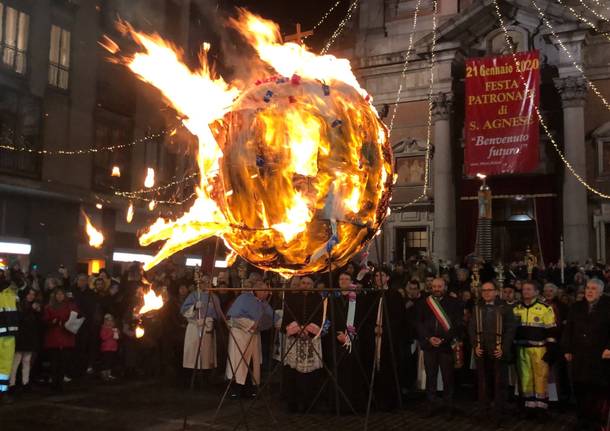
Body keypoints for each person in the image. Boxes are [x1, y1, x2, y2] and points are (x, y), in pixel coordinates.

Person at [562, 278, 610, 431]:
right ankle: (582, 419)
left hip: (600, 355)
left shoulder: (608, 306)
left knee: (597, 389)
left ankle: (597, 421)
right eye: (588, 288)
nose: (589, 291)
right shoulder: (576, 306)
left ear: (601, 292)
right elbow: (568, 329)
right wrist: (567, 349)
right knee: (580, 387)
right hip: (579, 355)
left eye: (594, 289)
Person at [468, 281, 516, 427]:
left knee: (499, 383)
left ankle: (499, 414)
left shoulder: (505, 308)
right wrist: (475, 346)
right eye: (484, 290)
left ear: (496, 292)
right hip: (481, 351)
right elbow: (471, 328)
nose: (486, 293)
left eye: (489, 290)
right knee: (483, 383)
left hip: (498, 350)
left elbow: (510, 330)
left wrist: (503, 348)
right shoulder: (477, 307)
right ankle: (484, 412)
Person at [416, 277, 463, 419]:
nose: (436, 289)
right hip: (429, 345)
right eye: (434, 286)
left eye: (439, 286)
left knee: (448, 378)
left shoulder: (454, 303)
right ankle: (431, 406)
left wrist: (444, 339)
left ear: (445, 287)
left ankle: (448, 407)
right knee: (431, 377)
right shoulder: (424, 303)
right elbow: (419, 323)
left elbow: (457, 324)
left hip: (446, 346)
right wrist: (429, 338)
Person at [359, 268, 405, 412]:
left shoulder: (395, 295)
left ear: (387, 278)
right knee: (371, 366)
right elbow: (364, 318)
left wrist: (385, 328)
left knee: (387, 367)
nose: (379, 278)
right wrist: (372, 328)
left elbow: (400, 318)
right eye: (376, 276)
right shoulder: (369, 295)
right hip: (372, 338)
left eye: (382, 275)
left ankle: (388, 401)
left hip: (388, 338)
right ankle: (372, 400)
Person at [513, 280, 557, 418]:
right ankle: (528, 408)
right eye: (524, 289)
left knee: (540, 378)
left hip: (539, 349)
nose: (525, 291)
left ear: (536, 292)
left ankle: (541, 409)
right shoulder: (516, 308)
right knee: (525, 379)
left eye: (529, 289)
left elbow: (552, 331)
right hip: (521, 349)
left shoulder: (545, 308)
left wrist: (551, 350)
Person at [282, 276, 324, 413]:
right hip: (295, 339)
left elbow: (321, 317)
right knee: (292, 372)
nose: (306, 285)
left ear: (313, 285)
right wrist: (298, 331)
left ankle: (309, 404)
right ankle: (292, 403)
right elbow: (287, 317)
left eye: (309, 283)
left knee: (310, 373)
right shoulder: (291, 298)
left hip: (311, 340)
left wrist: (309, 332)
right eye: (303, 283)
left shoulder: (318, 299)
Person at [225, 281, 273, 398]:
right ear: (257, 290)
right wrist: (252, 324)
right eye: (265, 291)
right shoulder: (244, 298)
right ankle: (237, 390)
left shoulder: (263, 303)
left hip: (254, 336)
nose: (267, 293)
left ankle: (250, 389)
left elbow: (270, 317)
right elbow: (235, 317)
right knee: (239, 363)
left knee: (252, 363)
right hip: (241, 335)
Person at [180, 275, 221, 373]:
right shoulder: (194, 295)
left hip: (207, 327)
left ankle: (206, 375)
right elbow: (184, 311)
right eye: (202, 282)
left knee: (206, 354)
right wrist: (194, 307)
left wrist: (210, 320)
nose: (204, 284)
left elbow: (218, 314)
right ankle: (193, 374)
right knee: (194, 354)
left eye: (207, 282)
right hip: (195, 327)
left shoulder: (214, 297)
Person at [43, 288, 79, 392]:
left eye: (61, 294)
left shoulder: (70, 306)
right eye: (57, 294)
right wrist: (53, 322)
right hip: (54, 339)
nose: (59, 296)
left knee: (63, 363)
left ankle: (59, 384)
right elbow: (45, 321)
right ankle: (54, 384)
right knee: (55, 363)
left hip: (66, 338)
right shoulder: (49, 307)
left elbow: (77, 316)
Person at [9, 288, 41, 391]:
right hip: (21, 337)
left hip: (29, 337)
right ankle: (12, 383)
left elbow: (37, 322)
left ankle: (25, 382)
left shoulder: (33, 307)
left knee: (26, 361)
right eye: (29, 294)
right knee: (16, 362)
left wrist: (37, 312)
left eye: (33, 294)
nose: (31, 296)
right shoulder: (20, 305)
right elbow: (20, 318)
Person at [73, 274, 101, 376]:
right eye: (80, 280)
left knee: (87, 345)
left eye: (84, 280)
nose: (82, 282)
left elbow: (93, 308)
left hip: (88, 324)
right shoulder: (74, 292)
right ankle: (77, 366)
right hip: (75, 323)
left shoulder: (91, 294)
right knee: (77, 345)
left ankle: (87, 366)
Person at [0, 271, 19, 403]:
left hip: (9, 336)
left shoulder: (11, 294)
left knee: (6, 367)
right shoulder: (10, 293)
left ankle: (2, 392)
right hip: (7, 335)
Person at [99, 314, 119, 381]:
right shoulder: (103, 328)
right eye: (108, 321)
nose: (110, 323)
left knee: (110, 362)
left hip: (113, 348)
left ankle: (109, 374)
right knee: (105, 362)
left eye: (112, 321)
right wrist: (111, 332)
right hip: (106, 348)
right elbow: (103, 337)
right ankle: (104, 375)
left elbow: (116, 338)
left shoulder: (114, 329)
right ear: (105, 322)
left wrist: (117, 333)